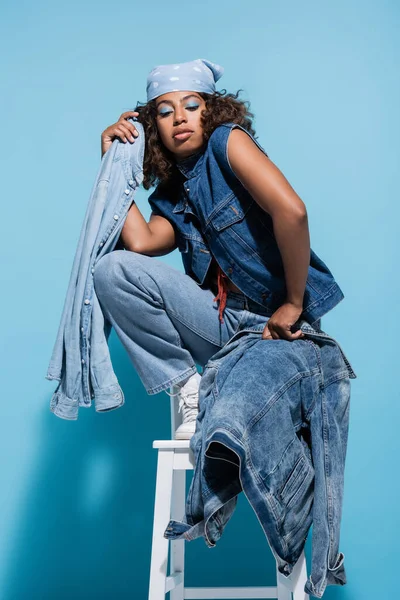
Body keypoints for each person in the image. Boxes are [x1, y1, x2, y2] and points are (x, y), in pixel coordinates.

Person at [93, 58, 344, 439]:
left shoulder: (229, 141)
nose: (179, 118)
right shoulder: (172, 193)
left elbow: (292, 212)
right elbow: (140, 243)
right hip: (223, 326)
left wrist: (293, 303)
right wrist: (113, 161)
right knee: (111, 269)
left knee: (243, 430)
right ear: (153, 128)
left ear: (210, 111)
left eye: (191, 106)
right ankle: (188, 389)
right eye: (165, 111)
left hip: (274, 327)